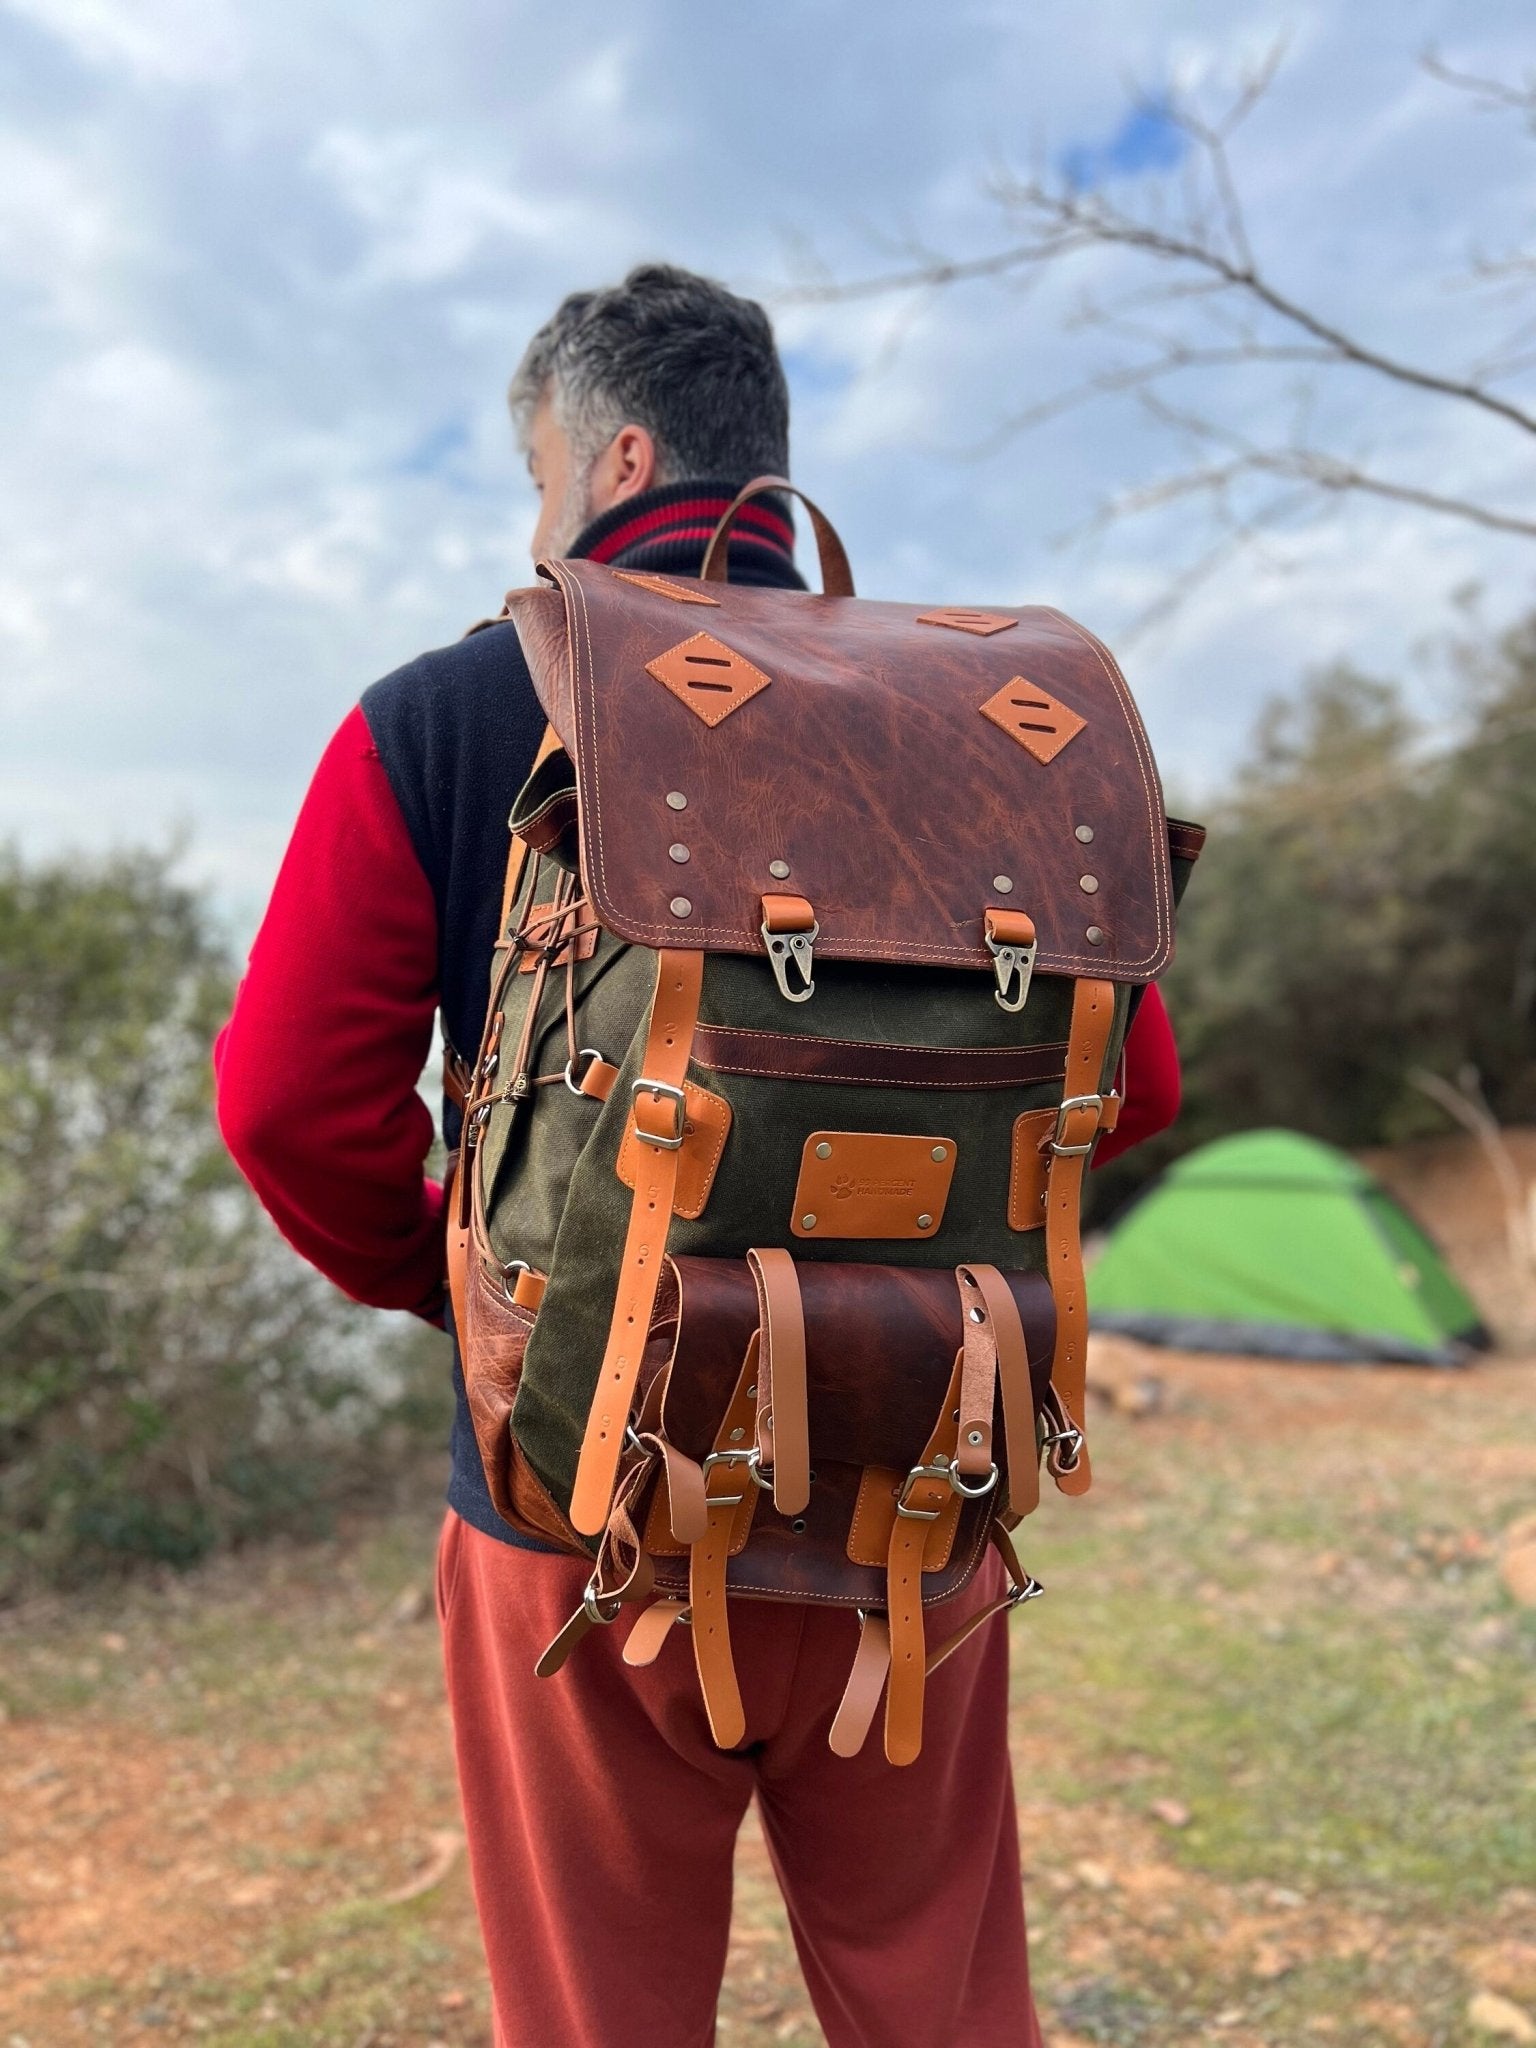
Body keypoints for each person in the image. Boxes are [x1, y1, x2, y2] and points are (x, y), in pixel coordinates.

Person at [216, 262, 1182, 2048]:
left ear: (615, 457)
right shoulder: (982, 725)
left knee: (598, 2019)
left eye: (535, 474)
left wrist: (484, 1294)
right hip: (911, 1477)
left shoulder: (437, 717)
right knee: (946, 2008)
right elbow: (1136, 1081)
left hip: (579, 1498)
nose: (536, 514)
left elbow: (284, 1103)